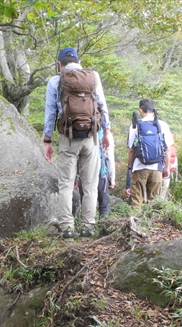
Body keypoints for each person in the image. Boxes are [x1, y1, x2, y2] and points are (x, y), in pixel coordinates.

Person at [43, 47, 113, 239]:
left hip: (68, 138)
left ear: (59, 64)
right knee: (90, 184)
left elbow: (50, 113)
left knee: (66, 184)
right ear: (79, 62)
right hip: (91, 137)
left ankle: (67, 228)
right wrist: (106, 132)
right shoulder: (93, 77)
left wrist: (47, 140)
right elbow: (102, 105)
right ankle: (88, 227)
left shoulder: (55, 81)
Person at [126, 98, 173, 210]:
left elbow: (131, 150)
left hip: (139, 168)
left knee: (136, 202)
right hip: (156, 168)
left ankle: (135, 220)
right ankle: (152, 221)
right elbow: (167, 150)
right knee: (154, 203)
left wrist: (130, 168)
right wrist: (166, 168)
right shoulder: (162, 125)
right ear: (153, 110)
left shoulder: (135, 125)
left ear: (140, 110)